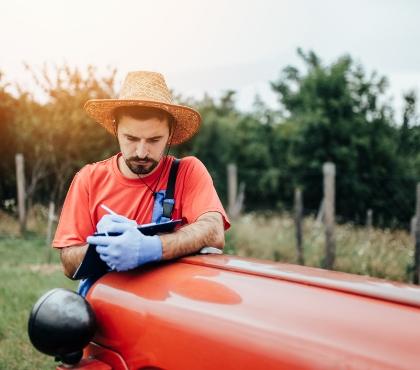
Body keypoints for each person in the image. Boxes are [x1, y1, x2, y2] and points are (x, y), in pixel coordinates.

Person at [52, 71, 230, 288]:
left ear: (170, 133)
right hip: (107, 304)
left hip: (171, 302)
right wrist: (104, 247)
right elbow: (69, 265)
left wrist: (152, 247)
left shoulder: (187, 172)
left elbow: (213, 230)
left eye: (154, 140)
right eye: (131, 138)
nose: (142, 152)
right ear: (116, 129)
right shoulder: (89, 179)